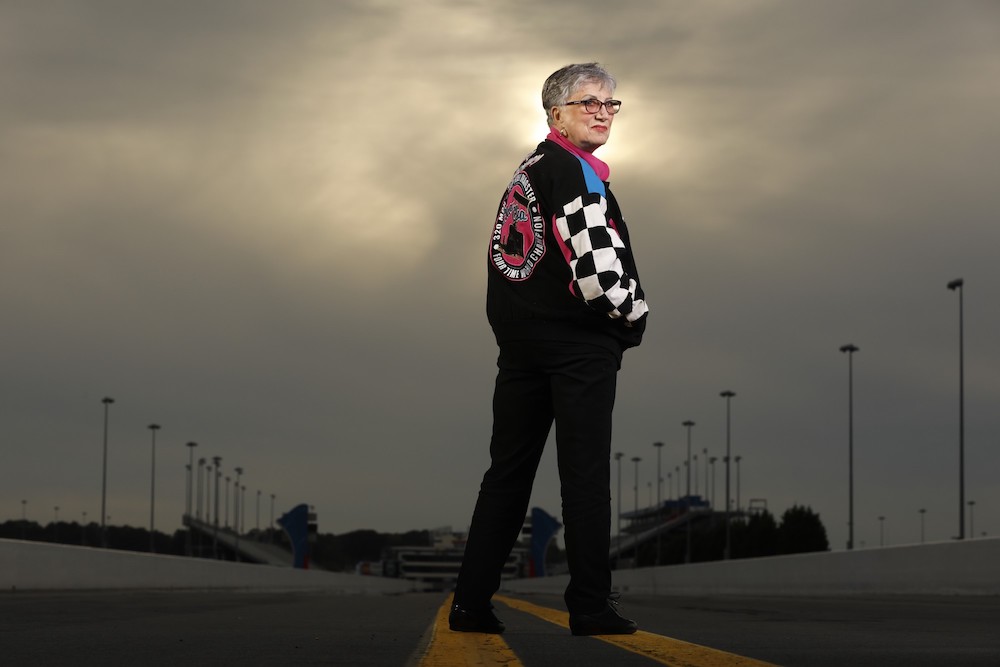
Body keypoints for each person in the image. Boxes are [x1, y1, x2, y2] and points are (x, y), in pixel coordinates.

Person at [449, 63, 649, 636]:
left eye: (610, 104)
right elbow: (600, 276)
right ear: (556, 114)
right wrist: (634, 316)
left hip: (521, 345)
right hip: (576, 343)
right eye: (590, 103)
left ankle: (470, 604)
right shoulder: (576, 174)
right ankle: (589, 605)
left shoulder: (529, 171)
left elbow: (508, 261)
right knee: (584, 477)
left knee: (507, 474)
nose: (603, 113)